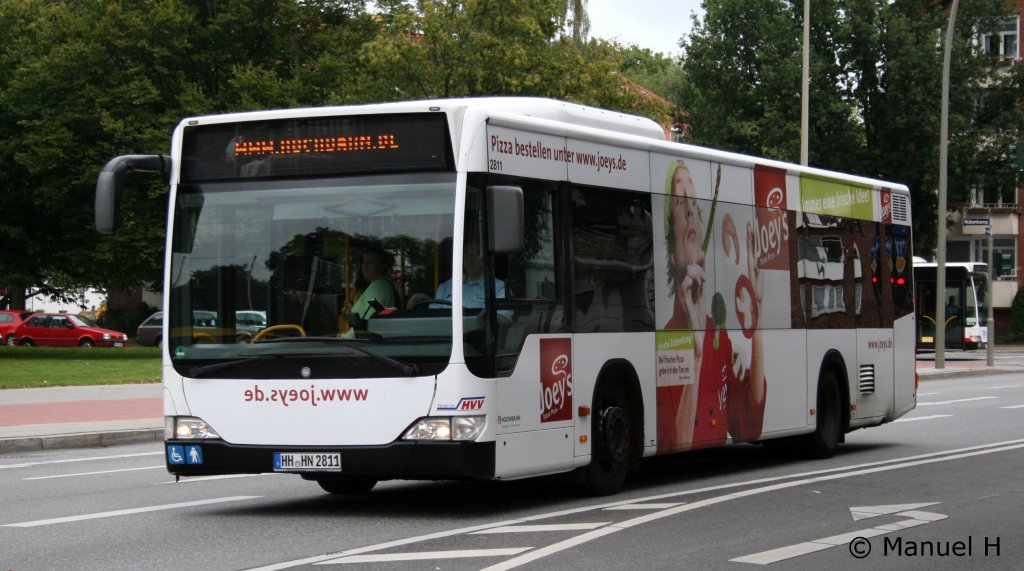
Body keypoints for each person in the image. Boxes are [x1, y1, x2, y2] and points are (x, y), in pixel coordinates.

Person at [658, 159, 767, 453]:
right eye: (680, 203)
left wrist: (758, 314)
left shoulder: (717, 332)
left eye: (694, 202)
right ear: (671, 252)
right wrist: (695, 357)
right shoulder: (667, 341)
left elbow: (747, 425)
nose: (690, 210)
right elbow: (674, 446)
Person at [433, 236, 511, 325]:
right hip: (444, 333)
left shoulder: (499, 287)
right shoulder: (446, 287)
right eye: (466, 252)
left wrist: (473, 314)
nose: (469, 257)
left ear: (484, 257)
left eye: (477, 252)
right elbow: (431, 317)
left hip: (479, 333)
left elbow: (505, 320)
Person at [343, 249, 396, 334]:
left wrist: (344, 337)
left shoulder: (378, 286)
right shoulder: (382, 285)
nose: (365, 266)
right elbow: (380, 311)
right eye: (363, 262)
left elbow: (368, 324)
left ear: (382, 267)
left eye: (371, 262)